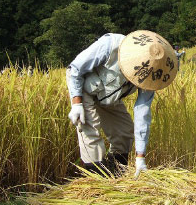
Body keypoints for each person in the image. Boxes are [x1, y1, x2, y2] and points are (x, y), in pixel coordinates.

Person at [66, 30, 178, 178]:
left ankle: (116, 173)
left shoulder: (152, 75)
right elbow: (75, 69)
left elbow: (142, 114)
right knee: (90, 132)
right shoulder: (110, 45)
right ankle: (96, 181)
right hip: (85, 91)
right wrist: (76, 103)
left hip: (111, 97)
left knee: (124, 132)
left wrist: (140, 158)